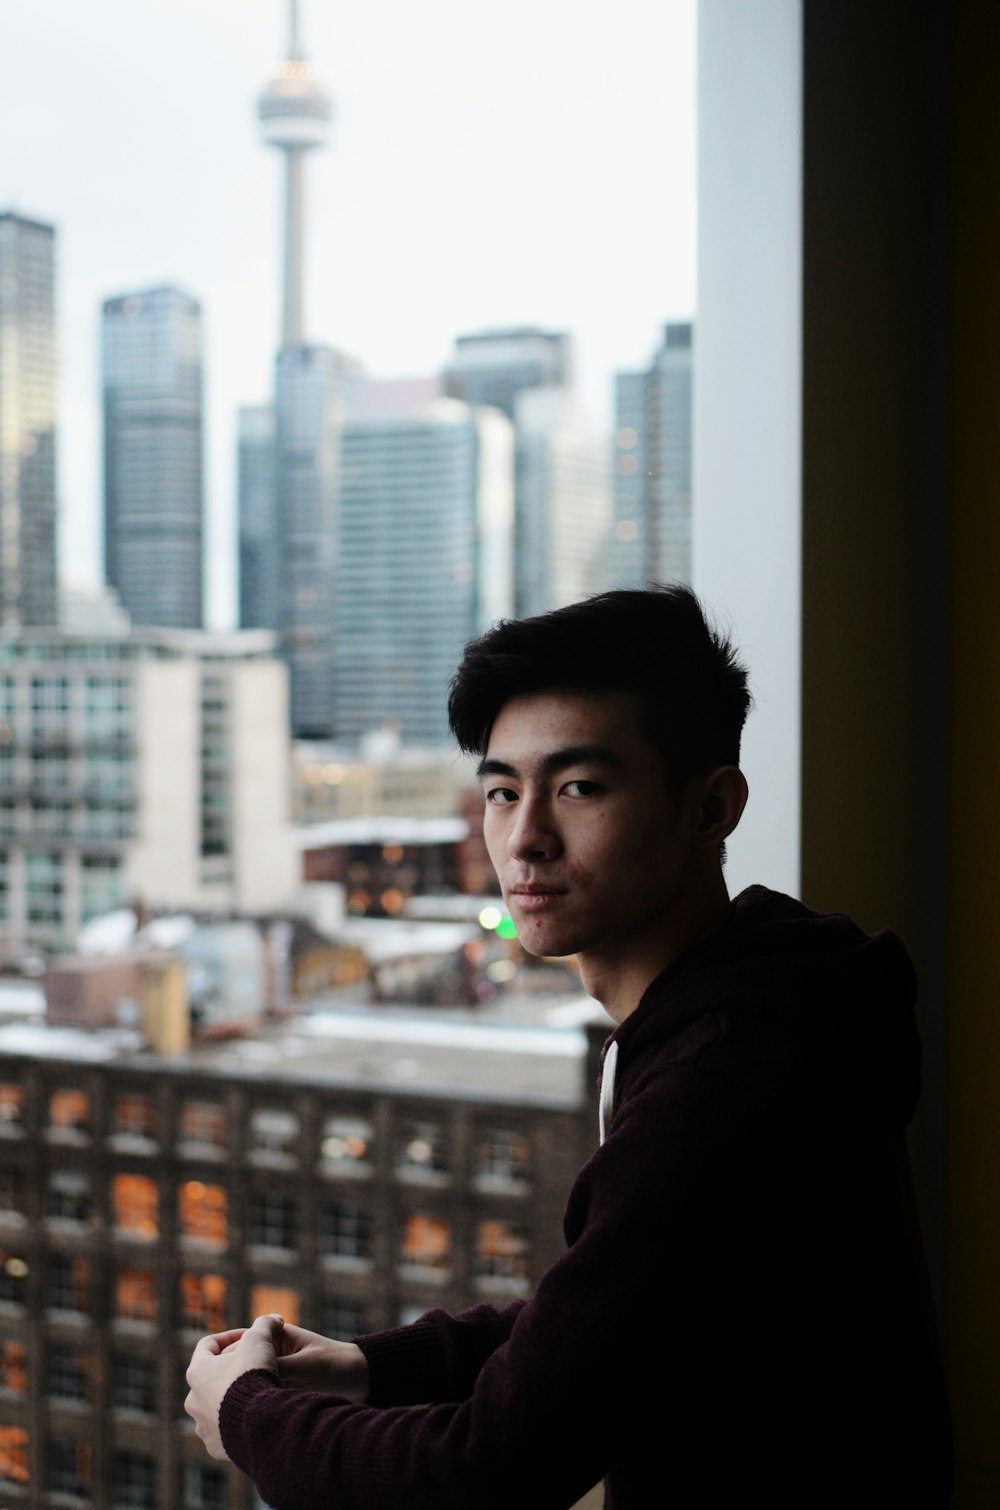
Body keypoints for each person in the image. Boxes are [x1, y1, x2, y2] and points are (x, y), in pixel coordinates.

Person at [186, 586, 951, 1508]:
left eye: (580, 787)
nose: (525, 837)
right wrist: (369, 1366)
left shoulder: (721, 1081)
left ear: (712, 808)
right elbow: (617, 1319)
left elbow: (485, 1471)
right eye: (503, 791)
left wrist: (246, 1411)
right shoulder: (752, 1010)